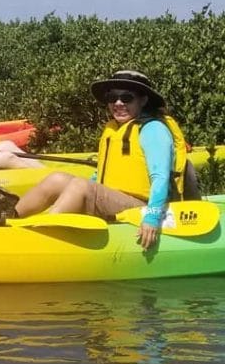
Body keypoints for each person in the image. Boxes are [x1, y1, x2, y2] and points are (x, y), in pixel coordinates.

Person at [14, 70, 189, 250]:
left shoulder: (153, 129)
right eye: (113, 97)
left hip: (141, 206)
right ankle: (7, 220)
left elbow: (160, 177)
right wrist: (82, 187)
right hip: (114, 199)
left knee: (81, 186)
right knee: (57, 179)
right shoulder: (114, 129)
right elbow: (103, 174)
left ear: (143, 100)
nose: (118, 103)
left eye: (127, 98)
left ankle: (39, 242)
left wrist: (152, 217)